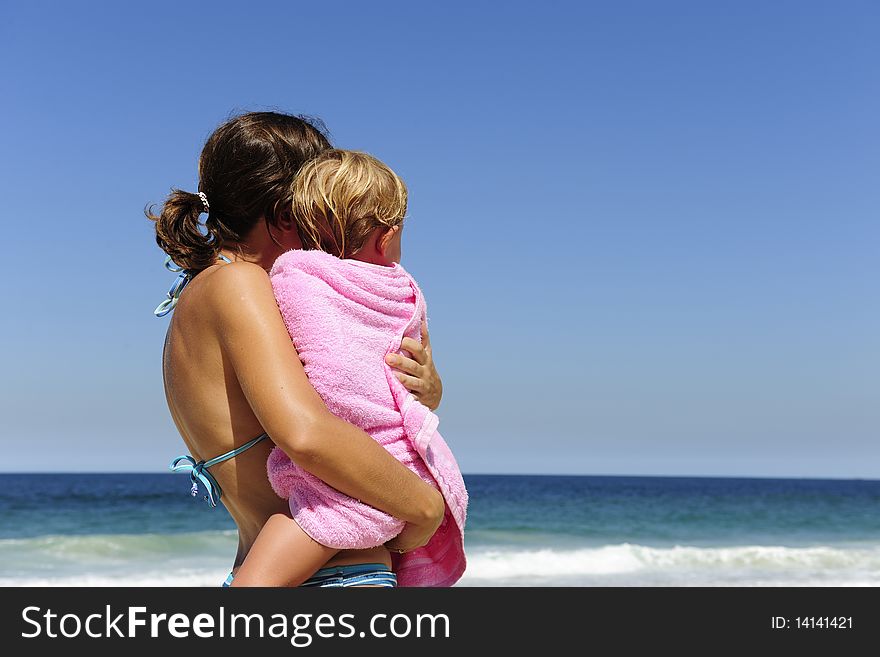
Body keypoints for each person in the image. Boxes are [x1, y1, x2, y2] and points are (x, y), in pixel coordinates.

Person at [147, 112, 446, 588]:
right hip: (334, 578)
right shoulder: (239, 285)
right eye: (324, 211)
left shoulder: (200, 297)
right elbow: (306, 433)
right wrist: (425, 506)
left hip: (267, 570)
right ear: (288, 215)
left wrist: (424, 390)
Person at [228, 150, 467, 587]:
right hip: (396, 472)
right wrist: (431, 393)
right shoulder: (405, 292)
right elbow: (408, 378)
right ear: (388, 235)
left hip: (341, 475)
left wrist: (429, 389)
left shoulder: (290, 279)